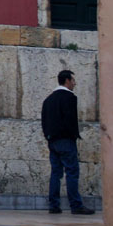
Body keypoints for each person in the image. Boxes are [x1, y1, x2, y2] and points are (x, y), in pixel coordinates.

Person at [41, 69, 95, 215]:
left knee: (56, 173)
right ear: (67, 81)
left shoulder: (48, 99)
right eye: (73, 80)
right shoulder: (69, 97)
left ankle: (54, 205)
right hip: (65, 140)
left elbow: (44, 120)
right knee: (72, 172)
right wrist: (73, 136)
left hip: (52, 141)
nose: (74, 83)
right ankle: (76, 205)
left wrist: (49, 137)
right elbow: (70, 120)